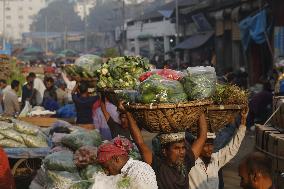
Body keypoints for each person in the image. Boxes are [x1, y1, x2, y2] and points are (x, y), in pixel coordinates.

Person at [120, 102, 208, 189]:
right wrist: (128, 113)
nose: (182, 152)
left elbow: (202, 137)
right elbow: (140, 143)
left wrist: (200, 109)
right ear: (165, 151)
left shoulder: (186, 162)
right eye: (176, 148)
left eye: (183, 148)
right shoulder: (158, 166)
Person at [188, 108, 248, 189]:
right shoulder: (190, 163)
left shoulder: (215, 160)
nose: (209, 149)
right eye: (205, 145)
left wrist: (243, 122)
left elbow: (232, 148)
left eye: (211, 145)